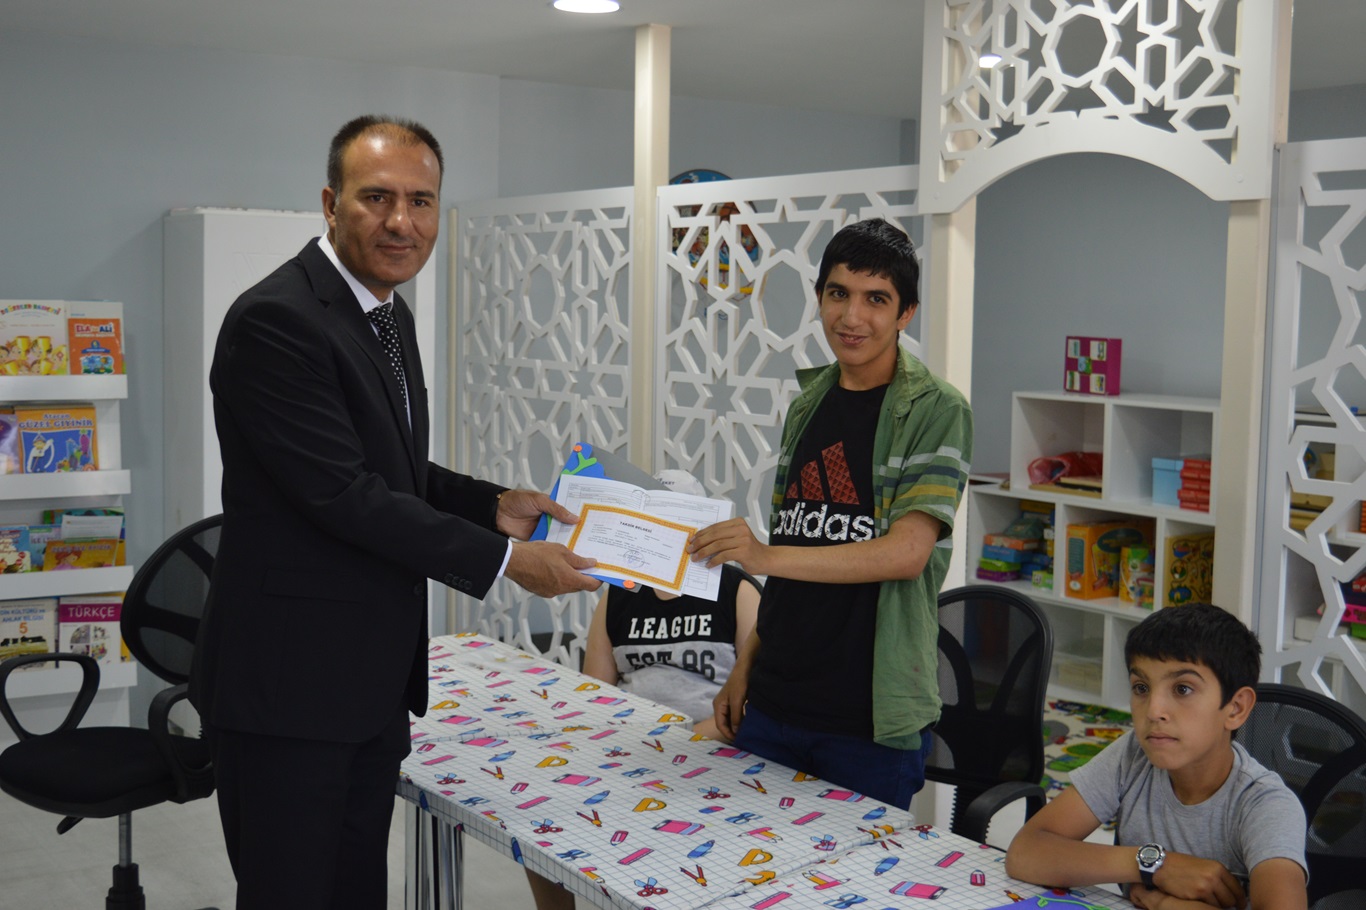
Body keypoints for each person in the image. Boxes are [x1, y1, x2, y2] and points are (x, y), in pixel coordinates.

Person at [189, 115, 601, 910]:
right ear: (330, 203)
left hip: (367, 686)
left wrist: (492, 507)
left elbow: (391, 469)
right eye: (376, 197)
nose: (401, 222)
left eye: (421, 201)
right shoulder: (278, 320)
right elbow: (346, 495)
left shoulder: (385, 312)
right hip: (290, 693)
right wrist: (509, 562)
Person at [688, 217, 973, 810]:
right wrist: (745, 666)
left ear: (906, 313)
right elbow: (799, 551)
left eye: (876, 299)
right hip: (773, 703)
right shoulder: (810, 401)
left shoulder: (937, 410)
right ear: (819, 297)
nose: (852, 317)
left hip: (866, 722)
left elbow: (907, 552)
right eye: (838, 293)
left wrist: (762, 556)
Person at [526, 471, 762, 910]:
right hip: (634, 747)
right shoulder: (619, 596)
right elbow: (595, 694)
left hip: (712, 749)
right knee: (541, 807)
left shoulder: (736, 590)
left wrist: (682, 742)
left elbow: (752, 701)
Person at [1005, 603, 1308, 910]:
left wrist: (1165, 904)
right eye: (1141, 687)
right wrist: (1156, 864)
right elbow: (1025, 852)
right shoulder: (1134, 756)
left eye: (1183, 689)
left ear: (1236, 708)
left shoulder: (1265, 805)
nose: (1153, 710)